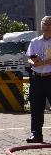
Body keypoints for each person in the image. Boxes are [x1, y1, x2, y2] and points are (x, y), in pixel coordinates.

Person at [25, 15, 51, 143]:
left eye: (48, 23)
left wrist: (44, 62)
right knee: (36, 107)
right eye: (43, 23)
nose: (45, 25)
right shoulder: (35, 41)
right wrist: (33, 62)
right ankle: (36, 134)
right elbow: (29, 56)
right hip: (37, 78)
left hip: (50, 77)